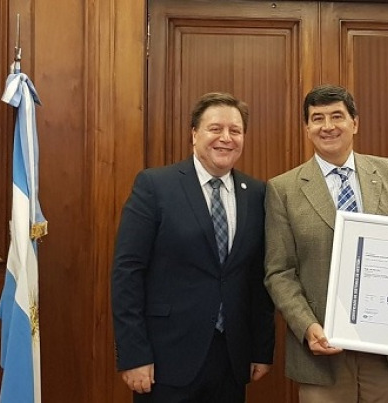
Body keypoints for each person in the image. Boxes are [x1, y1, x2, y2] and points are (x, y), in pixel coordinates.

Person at [111, 92, 275, 402]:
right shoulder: (155, 186)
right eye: (215, 129)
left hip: (231, 359)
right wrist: (133, 354)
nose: (226, 138)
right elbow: (127, 273)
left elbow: (259, 278)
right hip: (165, 360)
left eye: (235, 131)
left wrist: (261, 349)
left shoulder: (257, 193)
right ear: (194, 133)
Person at [264, 84, 388, 402]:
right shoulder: (283, 189)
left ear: (355, 123)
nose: (328, 126)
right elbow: (279, 272)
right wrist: (307, 326)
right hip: (322, 351)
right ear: (307, 128)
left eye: (338, 116)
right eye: (317, 118)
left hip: (387, 349)